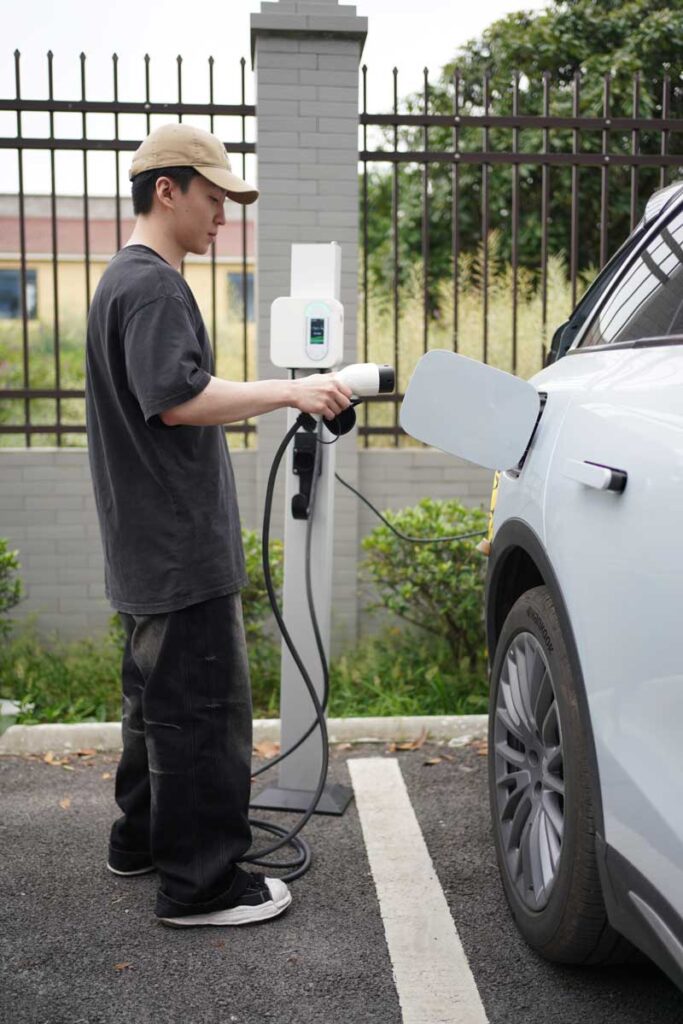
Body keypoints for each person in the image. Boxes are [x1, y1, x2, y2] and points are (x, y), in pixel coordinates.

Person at [85, 123, 352, 928]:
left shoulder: (119, 282)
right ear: (166, 190)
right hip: (177, 546)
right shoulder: (156, 286)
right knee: (200, 712)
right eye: (213, 198)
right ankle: (199, 886)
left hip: (141, 545)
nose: (222, 217)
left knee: (153, 706)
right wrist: (290, 391)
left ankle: (139, 841)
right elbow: (175, 398)